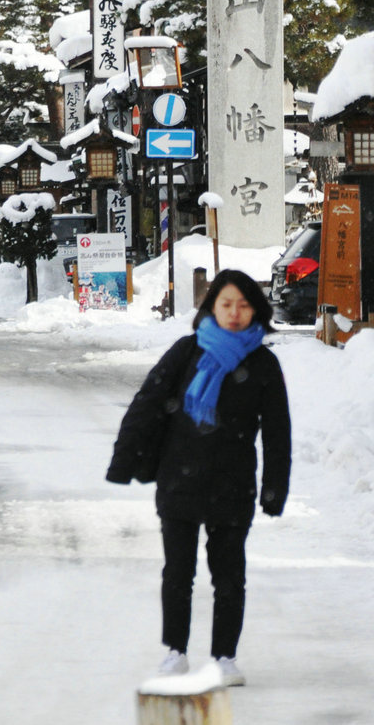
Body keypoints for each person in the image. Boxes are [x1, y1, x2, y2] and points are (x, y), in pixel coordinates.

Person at [106, 270, 290, 687]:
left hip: (233, 481)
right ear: (211, 308)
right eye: (226, 304)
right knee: (178, 571)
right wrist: (124, 460)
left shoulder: (263, 364)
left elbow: (278, 432)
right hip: (180, 478)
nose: (235, 313)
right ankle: (175, 651)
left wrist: (274, 488)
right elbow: (148, 402)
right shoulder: (186, 352)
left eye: (243, 305)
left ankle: (225, 656)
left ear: (255, 310)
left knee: (229, 574)